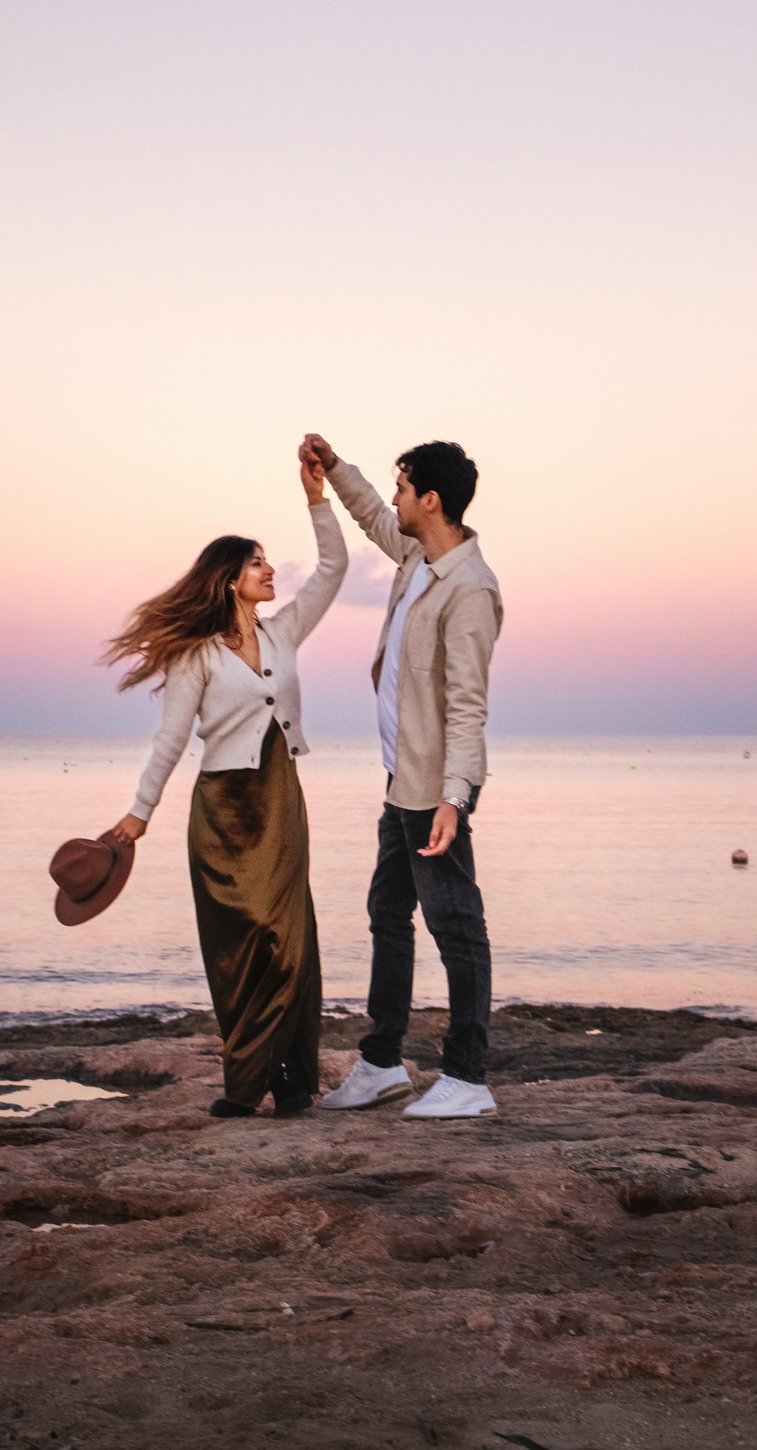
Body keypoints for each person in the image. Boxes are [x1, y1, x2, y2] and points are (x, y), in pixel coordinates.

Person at [101, 446, 347, 1118]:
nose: (271, 570)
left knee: (292, 943)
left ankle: (295, 1080)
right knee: (239, 952)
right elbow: (171, 740)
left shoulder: (287, 631)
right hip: (222, 812)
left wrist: (317, 497)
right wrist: (138, 813)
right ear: (229, 577)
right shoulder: (196, 655)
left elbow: (334, 567)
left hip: (280, 800)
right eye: (257, 562)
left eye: (269, 561)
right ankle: (247, 1084)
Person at [298, 434, 504, 1120]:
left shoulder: (469, 589)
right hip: (399, 779)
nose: (395, 498)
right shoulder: (419, 554)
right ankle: (383, 1062)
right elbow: (372, 517)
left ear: (432, 499)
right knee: (388, 911)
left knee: (457, 926)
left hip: (431, 789)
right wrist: (332, 468)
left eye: (404, 486)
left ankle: (467, 1076)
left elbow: (469, 703)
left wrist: (455, 798)